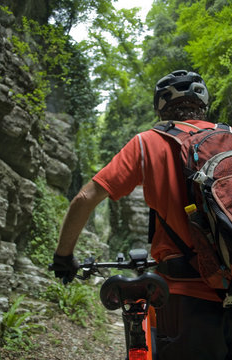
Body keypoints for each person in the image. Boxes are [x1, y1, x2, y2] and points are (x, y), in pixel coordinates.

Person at [49, 70, 232, 360]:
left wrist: (63, 257)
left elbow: (85, 198)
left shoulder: (148, 143)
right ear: (203, 103)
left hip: (187, 294)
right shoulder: (229, 138)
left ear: (161, 107)